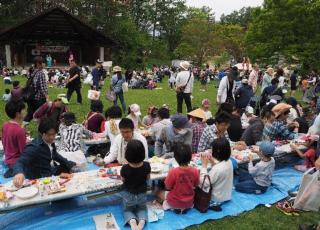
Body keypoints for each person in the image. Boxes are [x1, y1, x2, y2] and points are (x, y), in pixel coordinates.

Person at [12, 118, 77, 188]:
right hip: (40, 178)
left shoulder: (50, 142)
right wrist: (19, 173)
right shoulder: (34, 147)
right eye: (49, 134)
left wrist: (70, 164)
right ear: (42, 133)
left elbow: (55, 155)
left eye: (54, 134)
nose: (52, 137)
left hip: (48, 170)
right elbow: (20, 161)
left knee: (68, 166)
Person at [157, 144, 199, 214]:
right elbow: (196, 184)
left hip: (175, 201)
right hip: (189, 202)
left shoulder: (173, 172)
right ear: (190, 156)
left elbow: (168, 187)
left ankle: (173, 207)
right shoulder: (195, 171)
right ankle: (182, 208)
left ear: (175, 158)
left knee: (158, 192)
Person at [121, 140, 150, 229]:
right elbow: (148, 178)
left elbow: (123, 180)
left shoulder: (125, 168)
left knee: (127, 210)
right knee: (142, 209)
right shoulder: (147, 165)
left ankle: (132, 221)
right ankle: (142, 221)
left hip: (129, 195)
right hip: (142, 194)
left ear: (127, 154)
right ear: (143, 153)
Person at [200, 137, 233, 211]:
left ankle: (213, 205)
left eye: (212, 149)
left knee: (197, 183)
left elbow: (205, 183)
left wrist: (204, 166)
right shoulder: (229, 162)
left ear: (217, 151)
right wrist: (212, 161)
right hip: (226, 195)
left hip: (216, 198)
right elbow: (219, 172)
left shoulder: (217, 169)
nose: (211, 150)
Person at [1, 100, 27, 178]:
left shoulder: (5, 125)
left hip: (7, 157)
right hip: (16, 162)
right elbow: (24, 152)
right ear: (18, 114)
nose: (25, 111)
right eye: (24, 109)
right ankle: (14, 171)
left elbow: (4, 141)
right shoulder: (19, 130)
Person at [24, 56, 48, 124]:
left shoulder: (33, 71)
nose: (44, 64)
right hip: (39, 98)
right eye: (43, 62)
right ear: (38, 63)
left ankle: (23, 127)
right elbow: (43, 87)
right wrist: (47, 97)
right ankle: (42, 129)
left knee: (30, 114)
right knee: (43, 114)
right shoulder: (41, 73)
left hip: (30, 97)